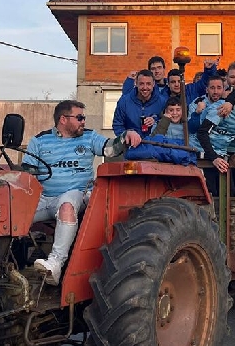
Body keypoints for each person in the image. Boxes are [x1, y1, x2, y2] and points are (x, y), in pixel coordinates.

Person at [23, 100, 141, 285]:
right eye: (79, 117)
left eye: (83, 117)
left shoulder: (89, 137)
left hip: (76, 193)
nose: (83, 121)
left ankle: (55, 264)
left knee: (67, 205)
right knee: (14, 216)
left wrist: (127, 134)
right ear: (63, 119)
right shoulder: (39, 140)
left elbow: (110, 148)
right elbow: (27, 173)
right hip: (44, 198)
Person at [195, 86, 235, 196]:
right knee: (209, 192)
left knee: (229, 192)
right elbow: (202, 133)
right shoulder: (222, 109)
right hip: (203, 153)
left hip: (222, 155)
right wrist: (214, 157)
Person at [112, 69, 166, 137]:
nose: (145, 87)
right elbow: (117, 125)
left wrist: (155, 121)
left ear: (153, 84)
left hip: (153, 144)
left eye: (148, 84)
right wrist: (127, 136)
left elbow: (168, 124)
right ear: (136, 83)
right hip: (130, 145)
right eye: (141, 84)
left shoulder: (162, 102)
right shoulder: (124, 101)